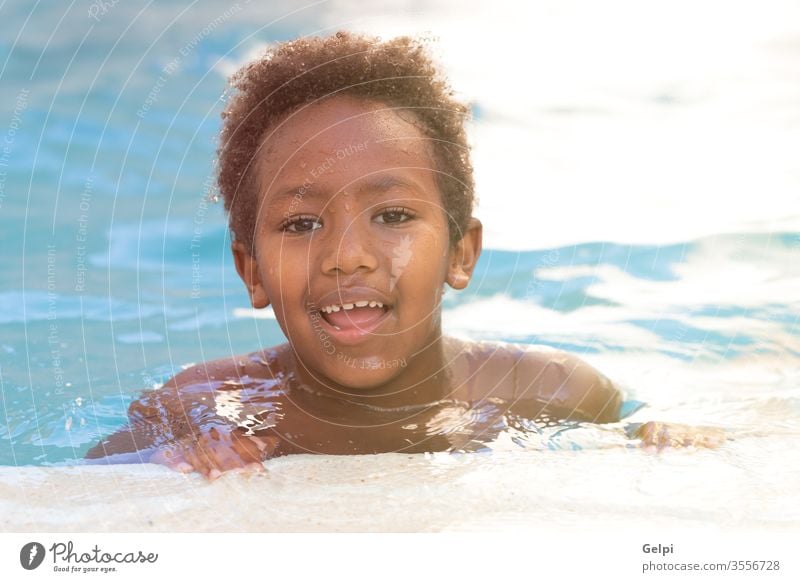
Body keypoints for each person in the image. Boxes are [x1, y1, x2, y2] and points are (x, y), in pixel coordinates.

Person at [85, 31, 725, 479]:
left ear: (461, 252)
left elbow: (645, 425)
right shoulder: (197, 406)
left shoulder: (550, 390)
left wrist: (666, 435)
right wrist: (181, 459)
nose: (347, 255)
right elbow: (86, 488)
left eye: (393, 216)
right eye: (302, 223)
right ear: (251, 272)